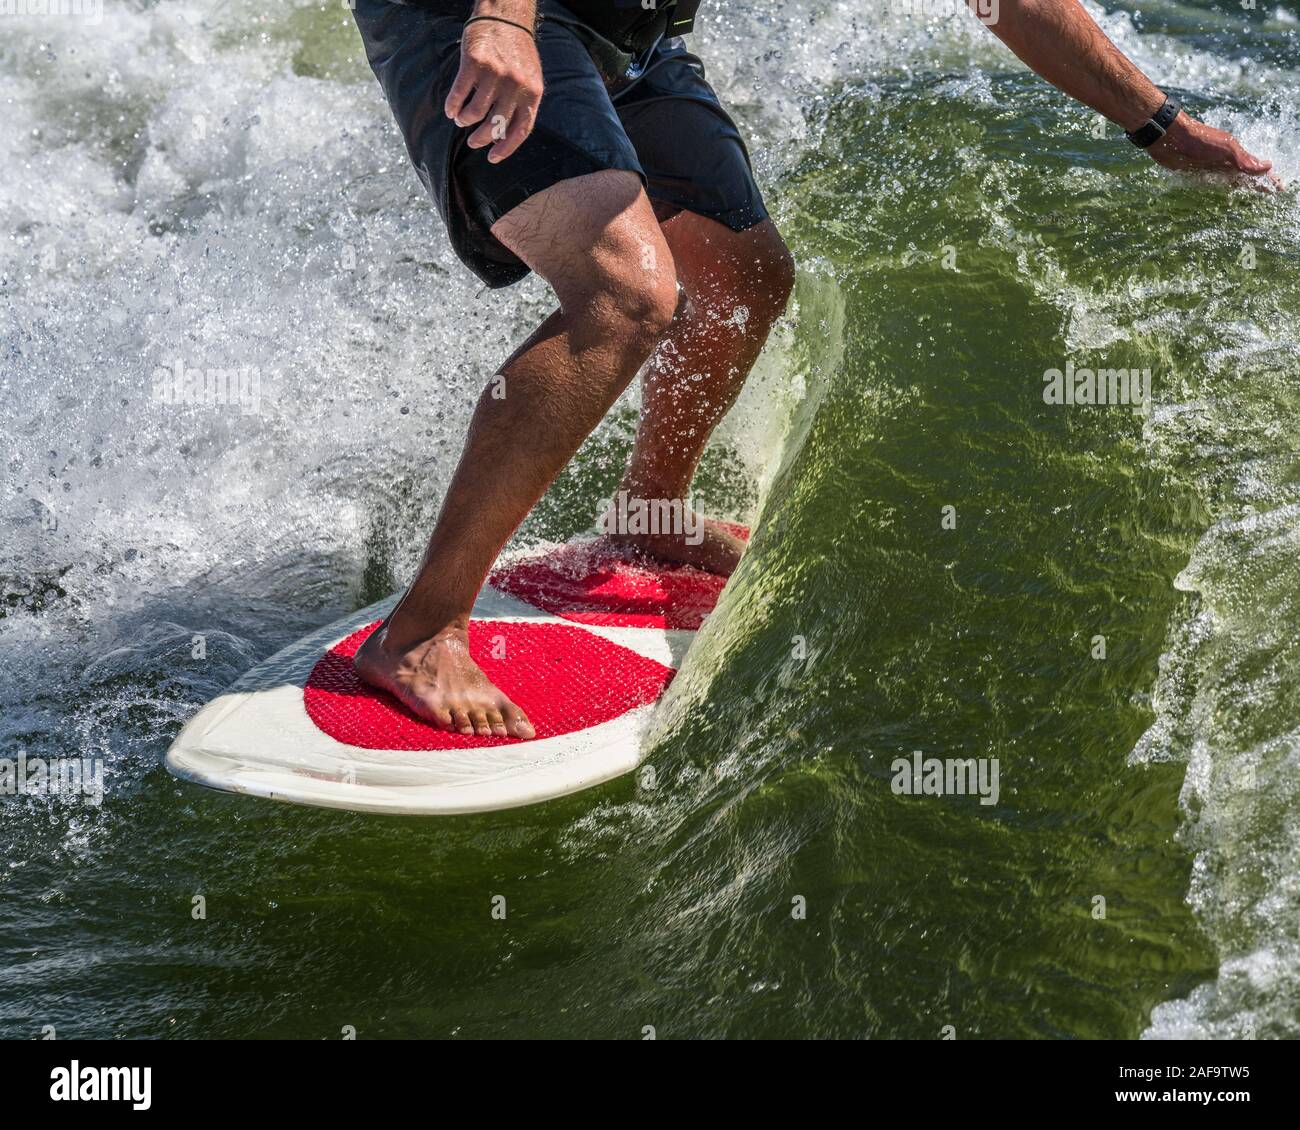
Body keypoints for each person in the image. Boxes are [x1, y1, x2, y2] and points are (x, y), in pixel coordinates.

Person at [349, 0, 1275, 739]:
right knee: (629, 294)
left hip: (628, 28)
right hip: (467, 15)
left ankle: (649, 513)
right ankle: (421, 632)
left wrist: (1161, 127)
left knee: (745, 271)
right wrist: (505, 16)